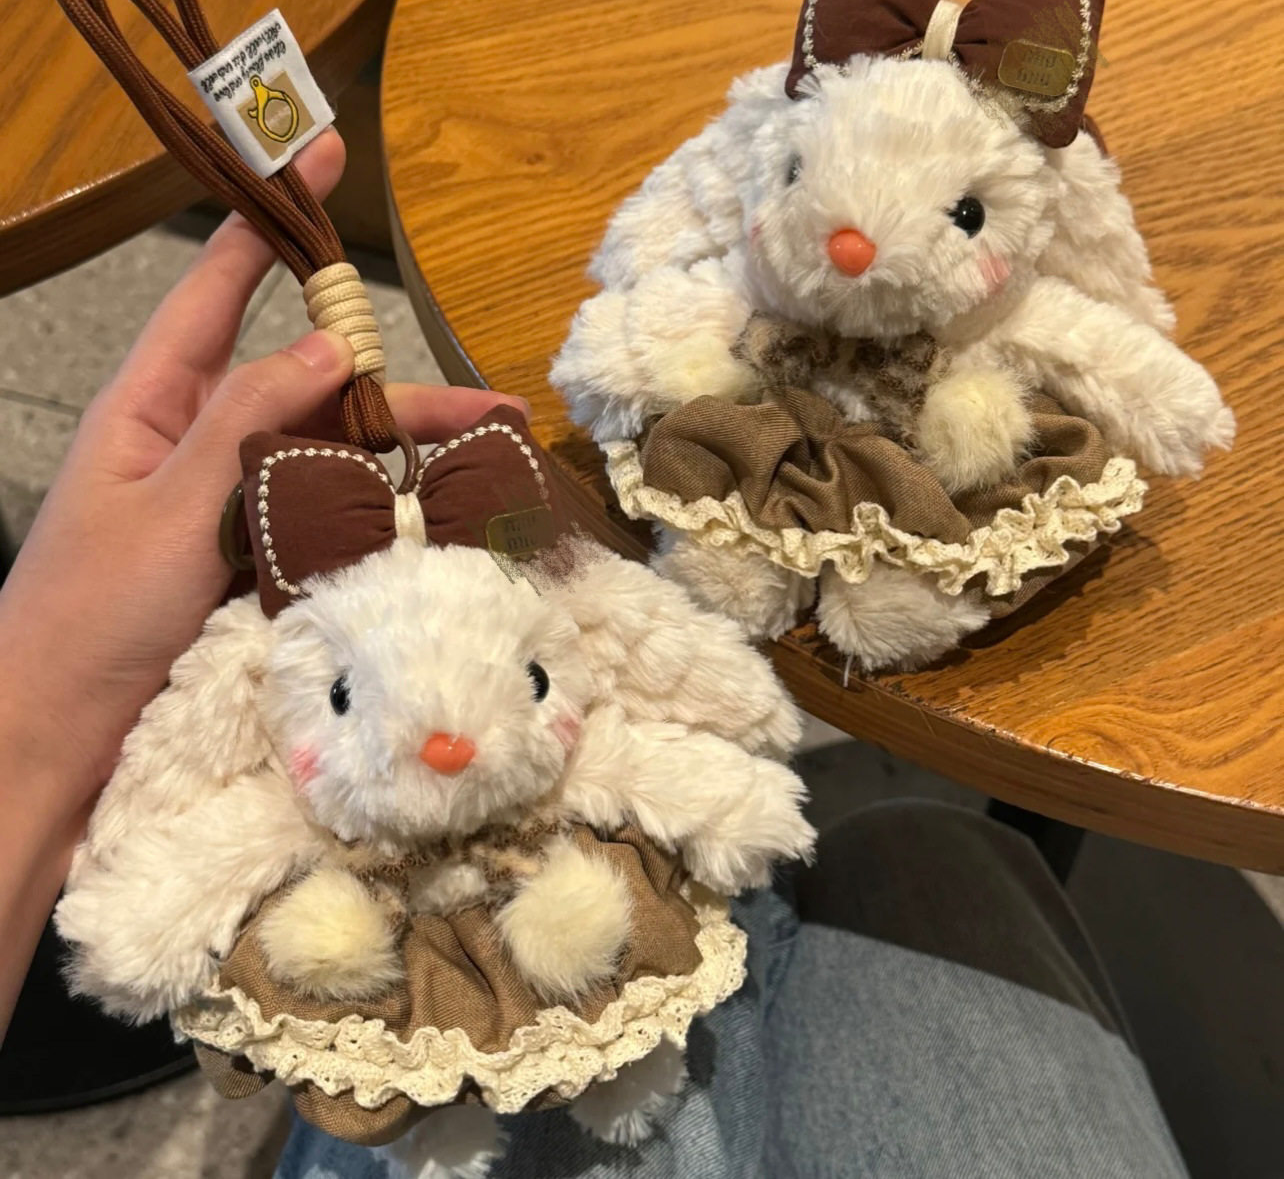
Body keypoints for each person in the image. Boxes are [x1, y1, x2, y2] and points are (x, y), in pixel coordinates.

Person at [0, 131, 1188, 1178]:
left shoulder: (541, 607)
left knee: (827, 878)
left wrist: (39, 729)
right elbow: (210, 776)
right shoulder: (270, 655)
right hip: (389, 907)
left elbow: (638, 652)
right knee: (941, 852)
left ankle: (599, 1083)